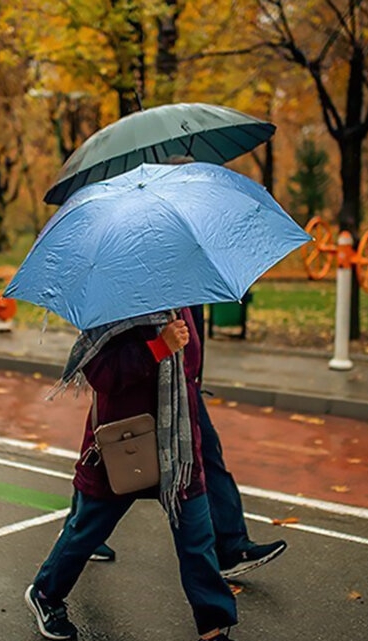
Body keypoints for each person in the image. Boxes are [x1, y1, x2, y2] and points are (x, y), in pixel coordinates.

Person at [26, 308, 268, 641]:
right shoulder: (112, 302)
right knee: (88, 529)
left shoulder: (182, 300)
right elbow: (100, 373)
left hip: (179, 445)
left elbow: (190, 370)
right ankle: (45, 593)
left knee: (198, 540)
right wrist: (157, 347)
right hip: (126, 442)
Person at [91, 154, 287, 578]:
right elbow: (114, 349)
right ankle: (75, 550)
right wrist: (160, 349)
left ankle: (230, 549)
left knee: (204, 466)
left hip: (185, 388)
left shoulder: (191, 249)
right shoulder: (145, 251)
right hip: (152, 386)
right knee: (107, 481)